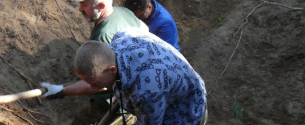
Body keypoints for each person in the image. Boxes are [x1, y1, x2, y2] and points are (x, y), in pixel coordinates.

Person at [40, 0, 147, 124]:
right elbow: (144, 30)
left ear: (101, 5)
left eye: (84, 5)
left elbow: (99, 83)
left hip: (112, 101)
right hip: (132, 92)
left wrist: (61, 91)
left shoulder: (103, 36)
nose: (80, 9)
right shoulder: (124, 12)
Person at [72, 29, 208, 125]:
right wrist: (118, 93)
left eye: (95, 83)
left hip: (186, 111)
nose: (92, 87)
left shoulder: (147, 91)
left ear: (112, 70)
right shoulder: (121, 38)